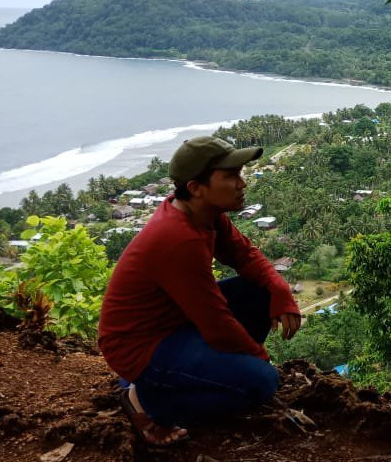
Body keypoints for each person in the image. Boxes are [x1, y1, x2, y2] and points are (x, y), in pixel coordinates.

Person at [98, 136, 301, 447]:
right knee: (263, 383)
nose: (242, 184)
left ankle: (202, 376)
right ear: (196, 187)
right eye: (231, 176)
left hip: (172, 323)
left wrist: (279, 288)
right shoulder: (179, 238)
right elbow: (215, 321)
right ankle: (145, 402)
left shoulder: (205, 214)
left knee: (260, 293)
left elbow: (244, 255)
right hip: (140, 344)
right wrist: (259, 359)